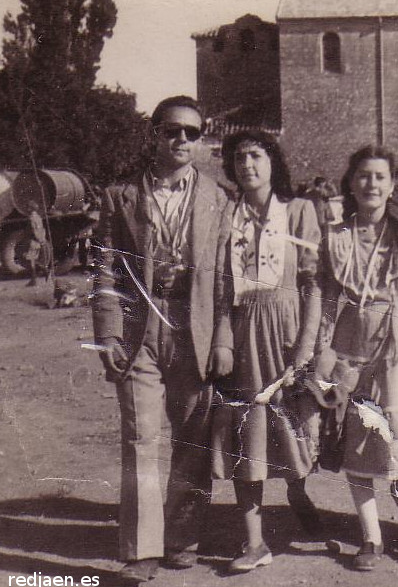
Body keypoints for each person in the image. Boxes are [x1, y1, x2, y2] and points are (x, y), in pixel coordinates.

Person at [92, 95, 232, 583]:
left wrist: (223, 338)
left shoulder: (218, 197)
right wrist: (107, 332)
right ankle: (141, 549)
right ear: (154, 134)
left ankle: (182, 538)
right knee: (139, 437)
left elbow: (225, 279)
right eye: (173, 130)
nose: (182, 140)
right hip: (138, 331)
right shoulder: (121, 196)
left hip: (194, 328)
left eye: (193, 133)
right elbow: (105, 268)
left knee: (193, 437)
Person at [319, 145, 398, 571]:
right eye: (363, 176)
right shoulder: (336, 236)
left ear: (392, 183)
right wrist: (323, 352)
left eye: (380, 176)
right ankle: (371, 537)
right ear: (351, 183)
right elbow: (328, 298)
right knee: (358, 434)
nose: (371, 184)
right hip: (353, 340)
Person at [208, 131, 323, 574]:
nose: (247, 164)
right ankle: (254, 542)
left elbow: (314, 285)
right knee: (246, 428)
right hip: (243, 332)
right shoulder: (226, 216)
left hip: (289, 327)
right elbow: (221, 287)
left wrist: (306, 344)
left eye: (256, 155)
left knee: (294, 422)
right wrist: (222, 338)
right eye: (239, 158)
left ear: (273, 161)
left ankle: (297, 488)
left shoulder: (298, 212)